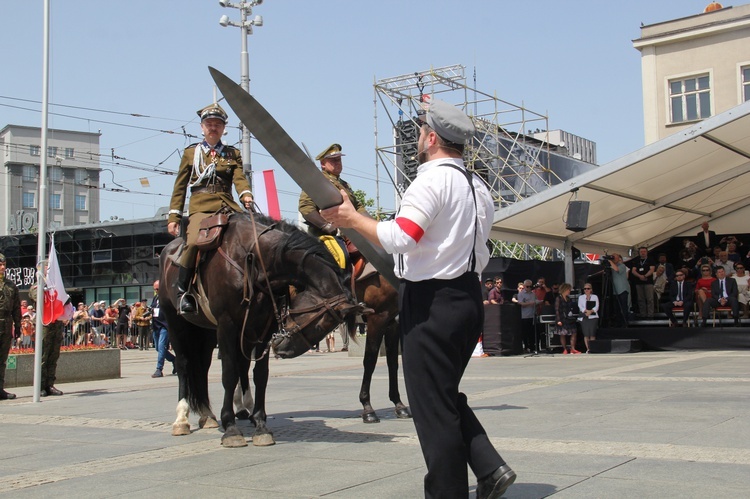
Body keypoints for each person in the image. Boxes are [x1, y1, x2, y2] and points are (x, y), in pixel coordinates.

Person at [320, 99, 515, 498]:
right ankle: (490, 468)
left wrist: (353, 219)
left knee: (432, 409)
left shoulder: (430, 181)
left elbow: (401, 236)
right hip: (466, 300)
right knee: (441, 395)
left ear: (430, 138)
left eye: (422, 132)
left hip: (432, 304)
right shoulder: (479, 187)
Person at [167, 103, 253, 314]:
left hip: (227, 205)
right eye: (209, 124)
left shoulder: (232, 154)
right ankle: (183, 291)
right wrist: (174, 216)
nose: (213, 127)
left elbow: (239, 178)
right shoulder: (191, 153)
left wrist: (246, 195)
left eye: (217, 124)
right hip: (201, 206)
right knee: (194, 242)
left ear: (224, 129)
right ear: (202, 127)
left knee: (251, 237)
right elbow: (180, 185)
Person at [298, 143, 368, 239]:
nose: (337, 163)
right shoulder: (317, 180)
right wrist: (325, 226)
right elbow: (305, 207)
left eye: (338, 160)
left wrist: (372, 224)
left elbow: (357, 207)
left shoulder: (344, 184)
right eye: (333, 160)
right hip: (324, 238)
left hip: (348, 237)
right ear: (323, 164)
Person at [27, 282, 65, 397]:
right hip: (44, 325)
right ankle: (40, 386)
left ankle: (50, 384)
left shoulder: (56, 284)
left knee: (53, 356)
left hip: (56, 324)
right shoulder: (37, 286)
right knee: (42, 356)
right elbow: (38, 298)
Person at [0, 253, 21, 400]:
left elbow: (16, 307)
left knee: (2, 359)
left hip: (6, 324)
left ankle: (0, 389)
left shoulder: (11, 285)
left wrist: (18, 325)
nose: (2, 267)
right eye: (0, 265)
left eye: (4, 265)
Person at [150, 281, 175, 378]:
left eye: (157, 289)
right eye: (155, 289)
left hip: (164, 326)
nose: (156, 291)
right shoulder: (155, 298)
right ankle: (174, 360)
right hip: (156, 326)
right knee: (157, 348)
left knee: (161, 347)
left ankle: (159, 369)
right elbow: (153, 308)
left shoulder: (167, 298)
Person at [629, 246, 656, 318]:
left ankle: (650, 314)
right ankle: (643, 314)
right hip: (639, 282)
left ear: (647, 252)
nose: (643, 253)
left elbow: (652, 269)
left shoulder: (650, 259)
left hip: (648, 282)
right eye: (641, 252)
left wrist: (645, 276)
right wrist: (640, 276)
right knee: (640, 299)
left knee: (650, 299)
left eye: (644, 251)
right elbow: (633, 270)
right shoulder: (636, 260)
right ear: (639, 253)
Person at [555, 283, 580, 354]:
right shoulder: (559, 298)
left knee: (574, 332)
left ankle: (573, 348)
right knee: (563, 333)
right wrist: (558, 320)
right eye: (568, 289)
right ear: (564, 289)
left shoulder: (569, 298)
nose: (569, 291)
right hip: (561, 318)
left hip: (569, 317)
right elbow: (557, 309)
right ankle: (564, 348)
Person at [608, 254, 630, 326]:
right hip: (615, 291)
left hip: (622, 290)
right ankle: (618, 322)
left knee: (623, 307)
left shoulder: (622, 266)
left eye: (614, 258)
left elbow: (617, 269)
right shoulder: (612, 267)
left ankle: (625, 322)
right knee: (616, 308)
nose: (613, 259)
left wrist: (610, 261)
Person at [516, 280, 538, 352]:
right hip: (524, 316)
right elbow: (521, 303)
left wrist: (537, 302)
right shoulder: (521, 294)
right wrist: (530, 303)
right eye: (527, 286)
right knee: (525, 332)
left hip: (532, 315)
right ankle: (526, 346)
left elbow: (536, 301)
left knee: (532, 332)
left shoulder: (533, 294)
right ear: (524, 286)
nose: (529, 288)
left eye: (530, 286)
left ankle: (532, 346)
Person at [577, 283, 599, 352]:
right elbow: (580, 306)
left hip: (593, 317)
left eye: (588, 288)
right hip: (585, 316)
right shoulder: (581, 297)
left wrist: (591, 311)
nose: (586, 290)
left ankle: (592, 348)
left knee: (592, 334)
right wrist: (586, 311)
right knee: (586, 334)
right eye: (585, 289)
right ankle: (588, 348)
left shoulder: (595, 297)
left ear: (591, 290)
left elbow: (597, 305)